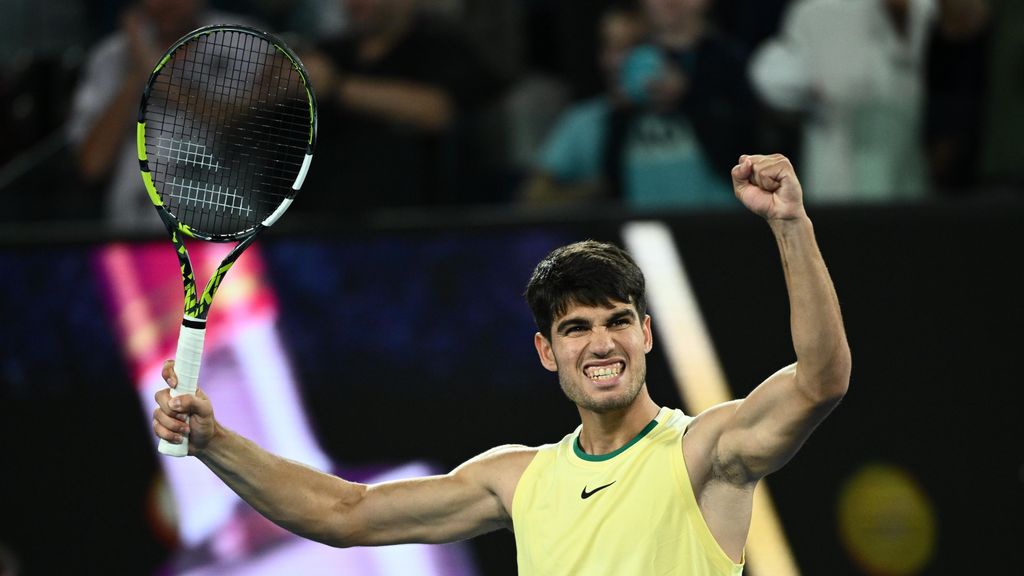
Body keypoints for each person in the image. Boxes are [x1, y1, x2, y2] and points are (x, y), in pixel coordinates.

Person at [153, 153, 850, 574]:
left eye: (616, 323)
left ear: (645, 335)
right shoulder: (517, 478)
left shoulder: (708, 452)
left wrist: (791, 225)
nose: (600, 344)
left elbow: (820, 380)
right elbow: (344, 514)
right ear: (547, 352)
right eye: (575, 329)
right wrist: (215, 442)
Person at [525, 0, 756, 210]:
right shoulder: (636, 65)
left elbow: (747, 145)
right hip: (639, 225)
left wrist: (688, 98)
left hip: (717, 218)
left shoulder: (727, 61)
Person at [297, 0, 505, 211]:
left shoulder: (441, 46)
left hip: (410, 222)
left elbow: (437, 111)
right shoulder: (327, 50)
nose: (354, 3)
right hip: (313, 219)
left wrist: (337, 87)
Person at [67, 0, 252, 232]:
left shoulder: (245, 39)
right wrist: (137, 72)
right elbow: (92, 165)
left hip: (223, 232)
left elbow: (238, 124)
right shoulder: (111, 56)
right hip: (133, 235)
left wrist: (155, 72)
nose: (165, 4)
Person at [749, 0, 936, 203]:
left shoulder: (928, 9)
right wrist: (809, 84)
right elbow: (770, 75)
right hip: (838, 177)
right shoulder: (817, 11)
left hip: (909, 170)